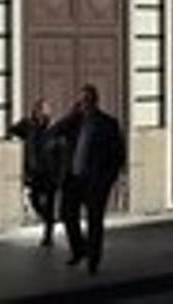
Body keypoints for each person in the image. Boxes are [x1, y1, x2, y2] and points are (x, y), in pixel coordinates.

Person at [52, 83, 127, 275]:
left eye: (87, 100)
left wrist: (108, 180)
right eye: (82, 101)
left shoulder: (108, 124)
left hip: (95, 181)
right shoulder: (74, 122)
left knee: (94, 221)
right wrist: (70, 115)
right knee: (68, 216)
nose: (84, 104)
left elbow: (118, 155)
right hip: (74, 178)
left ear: (95, 101)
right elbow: (53, 132)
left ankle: (93, 260)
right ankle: (78, 250)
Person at [9, 98, 64, 245]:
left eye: (43, 110)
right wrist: (23, 123)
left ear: (48, 113)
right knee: (35, 200)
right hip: (35, 172)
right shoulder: (30, 127)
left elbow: (61, 153)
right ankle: (49, 220)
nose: (40, 113)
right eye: (37, 110)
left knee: (50, 203)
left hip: (50, 172)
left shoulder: (54, 129)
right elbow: (13, 130)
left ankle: (48, 236)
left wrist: (60, 175)